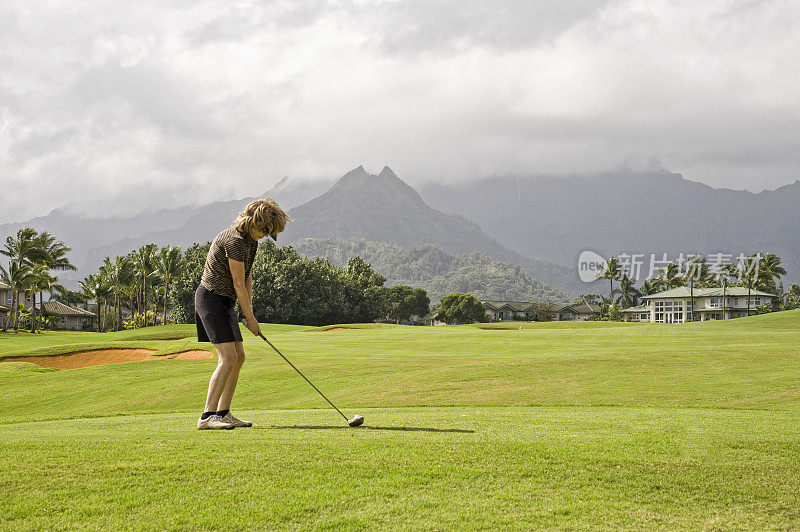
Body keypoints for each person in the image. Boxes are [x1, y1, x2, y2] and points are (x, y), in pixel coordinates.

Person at [194, 198, 291, 429]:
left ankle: (224, 413)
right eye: (266, 230)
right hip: (211, 298)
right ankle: (207, 417)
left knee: (239, 357)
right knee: (227, 358)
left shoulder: (251, 242)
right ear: (256, 222)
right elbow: (237, 282)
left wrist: (250, 314)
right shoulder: (235, 240)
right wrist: (249, 318)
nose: (266, 236)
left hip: (225, 302)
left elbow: (247, 278)